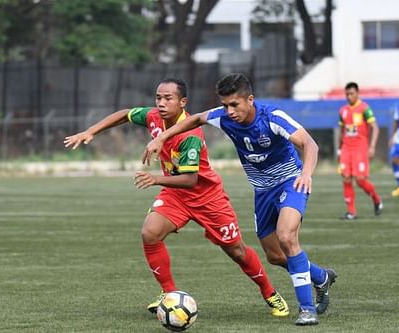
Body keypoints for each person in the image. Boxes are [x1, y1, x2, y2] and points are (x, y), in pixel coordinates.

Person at [63, 78, 289, 318]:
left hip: (207, 198)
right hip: (175, 195)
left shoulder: (190, 134)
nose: (161, 103)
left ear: (182, 102)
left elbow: (190, 180)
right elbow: (125, 114)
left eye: (168, 98)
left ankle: (270, 292)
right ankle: (169, 293)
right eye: (158, 98)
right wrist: (90, 132)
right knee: (150, 233)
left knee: (236, 251)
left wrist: (155, 179)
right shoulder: (153, 118)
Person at [143, 73, 336, 326]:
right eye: (225, 105)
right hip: (262, 191)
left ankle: (307, 309)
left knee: (287, 237)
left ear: (250, 99)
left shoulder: (272, 117)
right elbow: (195, 119)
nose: (229, 111)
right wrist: (161, 138)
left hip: (291, 182)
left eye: (235, 104)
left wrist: (306, 174)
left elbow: (309, 144)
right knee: (276, 256)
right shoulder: (223, 117)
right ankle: (321, 277)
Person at [338, 82, 383, 219]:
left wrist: (373, 146)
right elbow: (342, 131)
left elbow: (375, 127)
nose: (349, 96)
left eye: (351, 93)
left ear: (357, 93)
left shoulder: (365, 109)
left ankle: (376, 198)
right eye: (347, 94)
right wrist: (339, 150)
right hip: (346, 148)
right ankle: (351, 212)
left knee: (360, 180)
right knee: (346, 178)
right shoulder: (342, 111)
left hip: (360, 149)